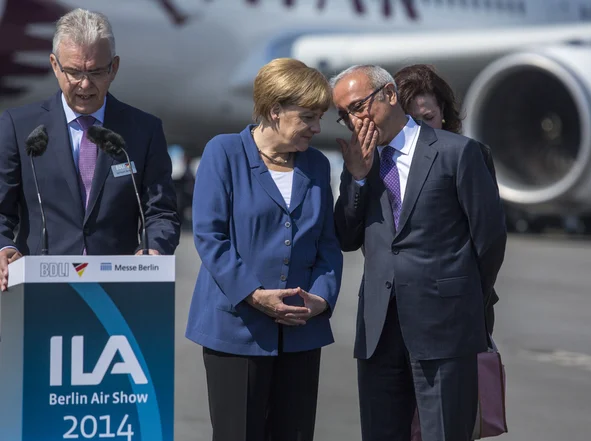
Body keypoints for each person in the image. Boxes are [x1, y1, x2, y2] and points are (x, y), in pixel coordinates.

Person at [331, 64, 506, 441]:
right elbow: (345, 237)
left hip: (444, 327)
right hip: (378, 329)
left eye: (359, 106)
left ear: (390, 95)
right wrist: (358, 178)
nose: (353, 119)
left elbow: (489, 242)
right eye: (344, 115)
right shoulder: (362, 163)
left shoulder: (458, 153)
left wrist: (464, 303)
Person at [186, 58, 343, 441]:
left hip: (302, 332)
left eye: (320, 117)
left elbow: (328, 243)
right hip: (237, 329)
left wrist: (321, 299)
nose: (316, 128)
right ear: (274, 111)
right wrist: (255, 295)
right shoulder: (223, 152)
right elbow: (210, 236)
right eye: (307, 116)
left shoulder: (318, 165)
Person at [0, 8, 180, 291]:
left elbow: (160, 212)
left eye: (96, 72)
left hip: (119, 291)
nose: (84, 84)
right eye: (74, 72)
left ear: (114, 68)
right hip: (39, 290)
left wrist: (153, 249)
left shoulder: (144, 130)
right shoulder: (18, 126)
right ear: (55, 65)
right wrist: (4, 247)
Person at [393, 63, 499, 333]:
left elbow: (489, 239)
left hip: (453, 311)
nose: (418, 131)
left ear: (443, 115)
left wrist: (469, 294)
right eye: (409, 121)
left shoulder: (468, 155)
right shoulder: (382, 162)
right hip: (391, 313)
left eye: (427, 118)